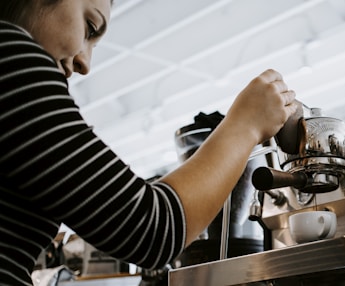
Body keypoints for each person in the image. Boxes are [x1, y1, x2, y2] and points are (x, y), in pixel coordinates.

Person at [0, 0, 297, 285]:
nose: (85, 63)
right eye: (90, 27)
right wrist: (245, 124)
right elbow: (153, 229)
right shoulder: (10, 56)